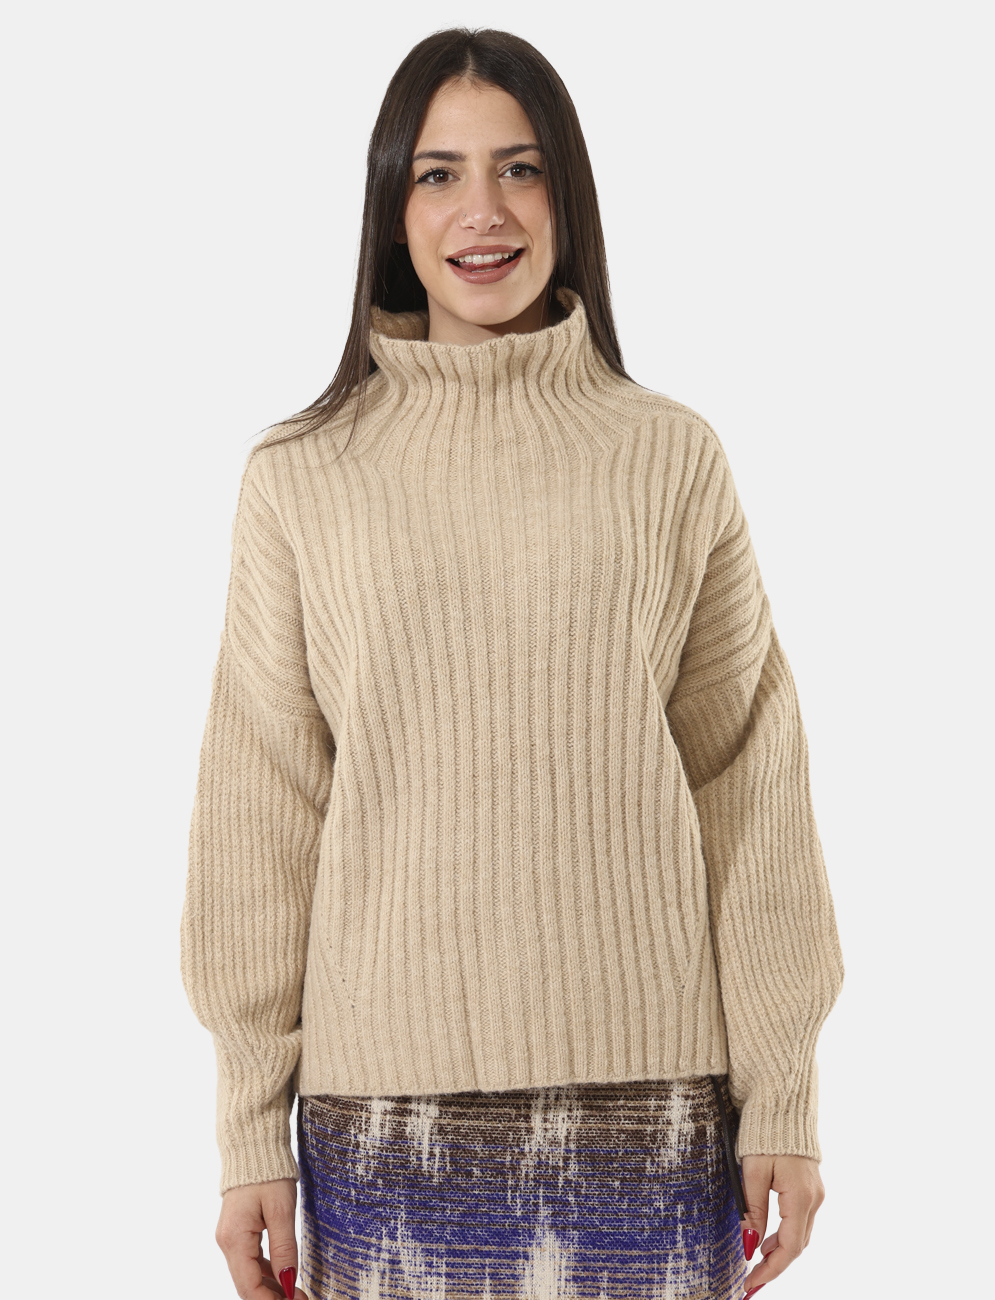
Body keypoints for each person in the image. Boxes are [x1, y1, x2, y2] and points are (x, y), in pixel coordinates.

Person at [180, 26, 845, 1300]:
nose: (480, 210)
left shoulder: (668, 457)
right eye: (438, 174)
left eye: (519, 168)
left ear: (566, 197)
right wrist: (248, 1126)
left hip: (651, 1115)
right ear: (393, 209)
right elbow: (262, 809)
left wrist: (783, 1092)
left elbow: (748, 786)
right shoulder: (301, 477)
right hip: (385, 1124)